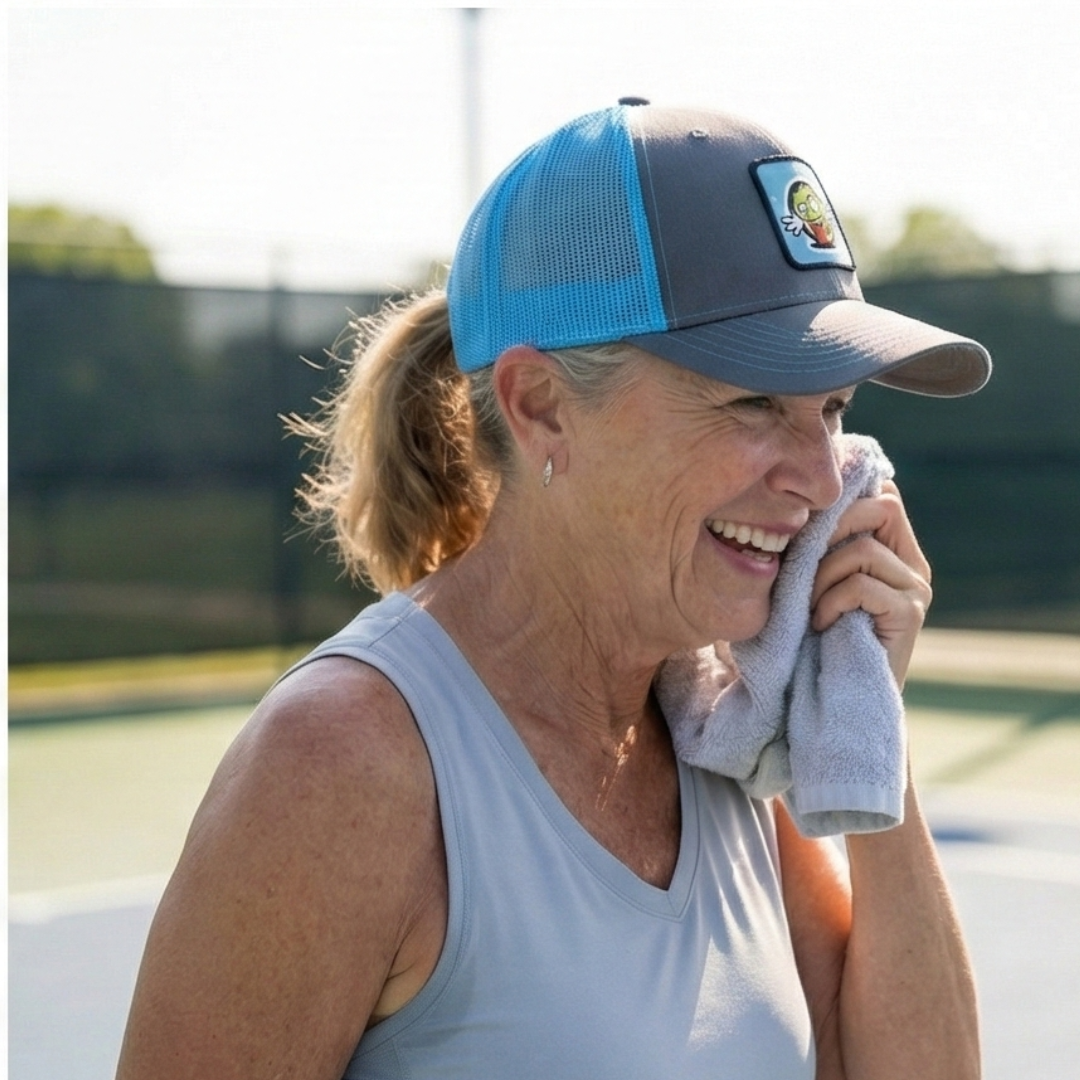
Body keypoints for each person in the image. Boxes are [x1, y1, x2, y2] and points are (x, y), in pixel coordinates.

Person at [116, 101, 990, 1080]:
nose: (825, 480)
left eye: (830, 409)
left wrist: (857, 707)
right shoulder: (340, 763)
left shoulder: (724, 727)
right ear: (540, 408)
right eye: (752, 402)